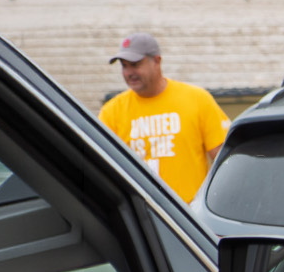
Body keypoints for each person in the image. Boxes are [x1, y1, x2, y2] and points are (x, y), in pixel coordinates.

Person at [98, 31, 230, 203]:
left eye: (135, 64)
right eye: (124, 66)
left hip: (190, 214)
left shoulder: (197, 99)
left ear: (157, 61)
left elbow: (225, 160)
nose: (129, 72)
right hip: (143, 213)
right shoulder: (111, 112)